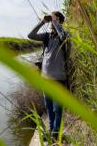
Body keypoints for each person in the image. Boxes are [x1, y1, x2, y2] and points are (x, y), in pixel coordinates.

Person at [28, 11, 69, 139]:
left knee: (58, 108)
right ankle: (52, 131)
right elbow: (30, 35)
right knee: (49, 108)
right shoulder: (46, 37)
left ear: (60, 21)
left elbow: (63, 37)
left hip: (59, 79)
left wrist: (55, 22)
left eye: (54, 18)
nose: (51, 21)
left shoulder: (65, 35)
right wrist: (42, 22)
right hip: (45, 79)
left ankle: (56, 133)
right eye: (51, 19)